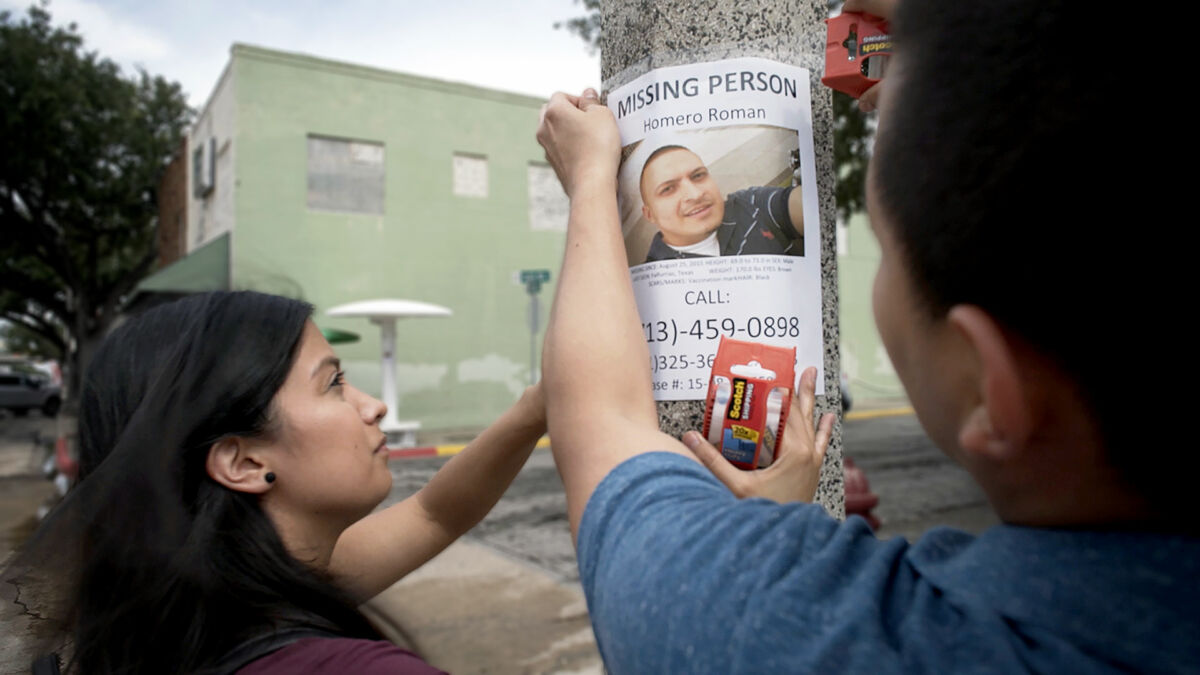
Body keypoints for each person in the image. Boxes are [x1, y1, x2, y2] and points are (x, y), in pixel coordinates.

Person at [535, 0, 1195, 671]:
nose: (691, 193)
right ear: (648, 210)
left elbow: (599, 425)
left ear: (987, 384)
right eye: (667, 187)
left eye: (882, 250)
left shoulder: (806, 632)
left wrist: (591, 179)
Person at [3, 291, 546, 674]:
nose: (374, 406)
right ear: (239, 462)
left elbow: (436, 512)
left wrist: (531, 412)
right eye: (333, 383)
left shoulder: (168, 615)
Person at [639, 144, 803, 262]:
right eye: (668, 189)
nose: (695, 195)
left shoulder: (750, 205)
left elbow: (806, 208)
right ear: (650, 214)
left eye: (698, 176)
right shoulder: (651, 278)